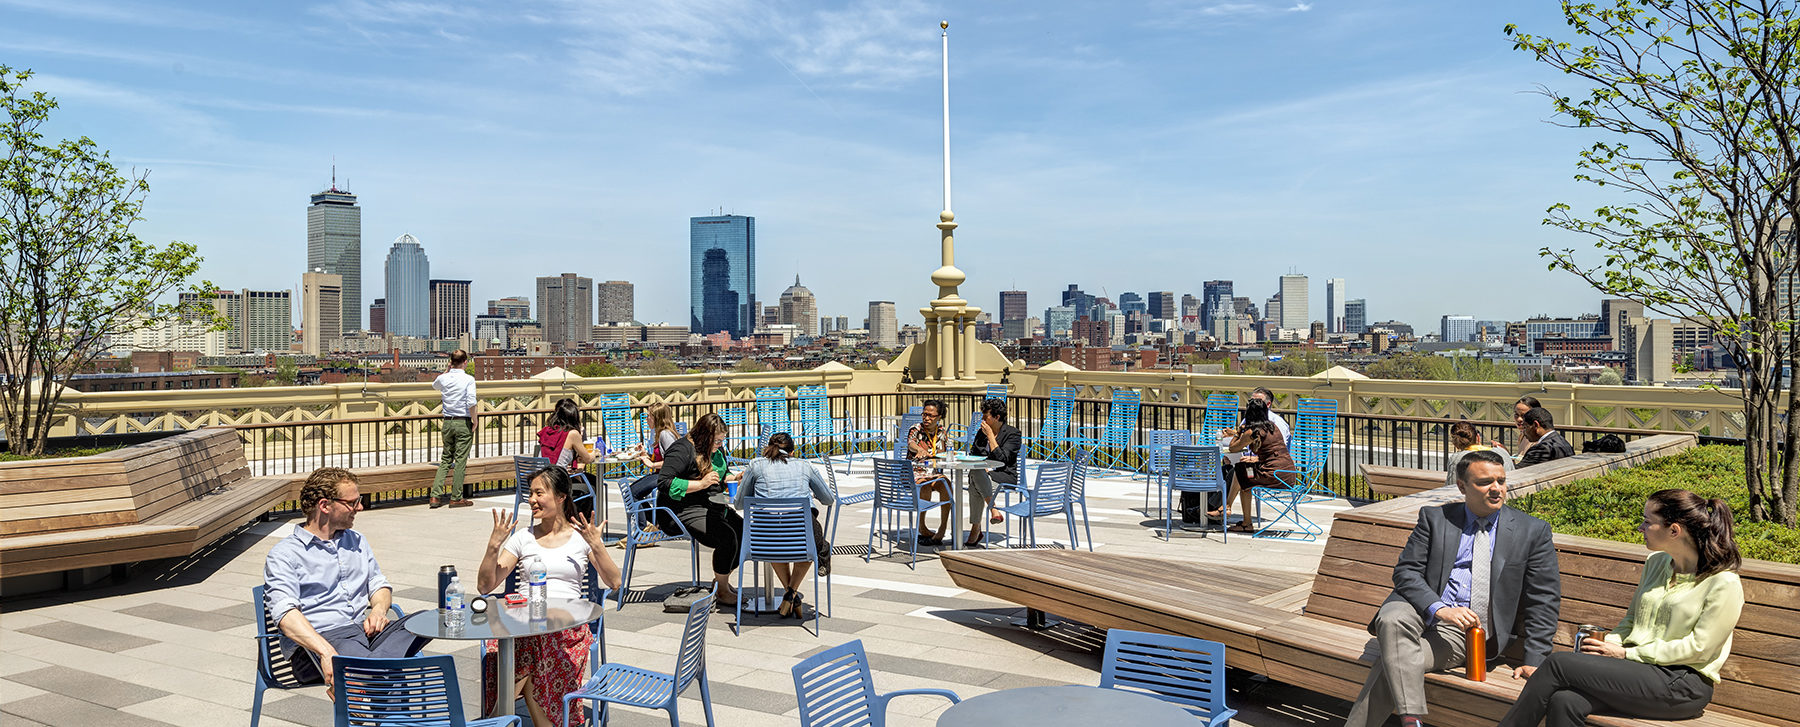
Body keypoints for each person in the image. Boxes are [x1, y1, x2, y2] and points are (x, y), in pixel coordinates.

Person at [1345, 450, 1562, 727]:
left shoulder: (1532, 531)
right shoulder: (1436, 519)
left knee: (1393, 662)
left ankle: (1410, 720)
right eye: (1485, 482)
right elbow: (1406, 572)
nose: (1496, 489)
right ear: (1462, 486)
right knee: (1390, 618)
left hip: (1465, 633)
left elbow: (1542, 598)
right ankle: (1412, 720)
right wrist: (1440, 609)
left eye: (1501, 480)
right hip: (1422, 607)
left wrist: (1536, 658)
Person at [1499, 489, 1743, 727]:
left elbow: (1699, 649)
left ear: (1674, 530)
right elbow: (1633, 619)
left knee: (1558, 663)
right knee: (1565, 701)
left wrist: (1626, 654)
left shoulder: (1723, 582)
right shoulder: (1657, 563)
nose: (1640, 528)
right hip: (1636, 673)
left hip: (1682, 685)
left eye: (1648, 522)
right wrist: (1610, 645)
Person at [263, 467, 429, 697]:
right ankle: (363, 677)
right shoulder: (285, 554)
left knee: (428, 620)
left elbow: (378, 584)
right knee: (383, 668)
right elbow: (285, 614)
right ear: (325, 505)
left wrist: (379, 611)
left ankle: (357, 677)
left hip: (364, 633)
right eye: (352, 502)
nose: (359, 507)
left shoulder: (356, 540)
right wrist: (326, 651)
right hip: (319, 642)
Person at [476, 466, 621, 727]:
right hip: (523, 624)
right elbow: (485, 586)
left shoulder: (581, 537)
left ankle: (494, 719)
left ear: (561, 496)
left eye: (539, 493)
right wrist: (493, 547)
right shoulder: (523, 538)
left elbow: (614, 582)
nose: (531, 500)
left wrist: (597, 545)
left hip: (566, 629)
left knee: (535, 649)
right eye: (530, 493)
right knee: (529, 648)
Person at [733, 432, 834, 616]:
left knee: (776, 536)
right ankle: (791, 593)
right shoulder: (805, 466)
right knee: (812, 543)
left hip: (764, 540)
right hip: (802, 536)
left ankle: (790, 594)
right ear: (792, 452)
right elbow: (828, 499)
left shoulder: (755, 466)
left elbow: (739, 504)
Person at [656, 412, 744, 604]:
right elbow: (664, 483)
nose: (720, 445)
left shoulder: (712, 451)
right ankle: (722, 590)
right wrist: (701, 484)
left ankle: (721, 580)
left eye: (722, 441)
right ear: (705, 436)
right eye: (717, 441)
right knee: (727, 537)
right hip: (680, 508)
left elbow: (721, 476)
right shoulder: (682, 450)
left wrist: (736, 478)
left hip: (709, 503)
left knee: (745, 532)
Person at [1221, 420, 1296, 533]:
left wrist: (1238, 433)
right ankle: (1233, 512)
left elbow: (1232, 448)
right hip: (1287, 474)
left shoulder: (1254, 431)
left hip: (1275, 475)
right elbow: (1274, 450)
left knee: (1241, 473)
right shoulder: (1272, 427)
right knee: (1242, 474)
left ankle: (1228, 508)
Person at [964, 398, 1021, 547]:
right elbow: (974, 453)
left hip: (1004, 476)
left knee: (974, 481)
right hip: (984, 475)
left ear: (996, 417)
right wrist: (983, 465)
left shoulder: (1013, 434)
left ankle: (976, 528)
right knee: (976, 474)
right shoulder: (981, 433)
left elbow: (1004, 460)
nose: (982, 420)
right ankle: (993, 510)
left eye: (985, 417)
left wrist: (990, 436)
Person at [431, 349, 477, 508]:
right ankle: (456, 497)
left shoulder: (443, 378)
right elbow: (471, 402)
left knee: (445, 459)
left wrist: (446, 370)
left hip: (447, 422)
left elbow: (434, 385)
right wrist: (475, 420)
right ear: (465, 362)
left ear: (451, 362)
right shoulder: (469, 379)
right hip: (462, 422)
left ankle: (435, 496)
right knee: (460, 461)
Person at [536, 398, 597, 516]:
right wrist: (595, 453)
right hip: (556, 483)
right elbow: (588, 459)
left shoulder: (547, 431)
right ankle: (579, 522)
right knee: (592, 487)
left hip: (542, 479)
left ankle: (572, 519)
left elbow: (555, 457)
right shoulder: (572, 434)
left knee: (591, 480)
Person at [908, 399, 954, 545]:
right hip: (916, 473)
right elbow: (911, 444)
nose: (926, 418)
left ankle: (942, 528)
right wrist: (919, 449)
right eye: (924, 414)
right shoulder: (916, 429)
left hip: (933, 472)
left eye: (931, 415)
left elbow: (945, 451)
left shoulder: (942, 433)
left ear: (939, 417)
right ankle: (922, 526)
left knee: (946, 484)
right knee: (925, 485)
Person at [1446, 420, 1513, 487]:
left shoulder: (1457, 458)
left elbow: (1451, 486)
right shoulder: (1502, 452)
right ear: (1478, 437)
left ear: (1455, 444)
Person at [635, 402, 680, 469]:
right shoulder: (660, 433)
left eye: (648, 416)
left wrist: (652, 465)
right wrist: (644, 453)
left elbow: (674, 461)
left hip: (667, 477)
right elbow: (660, 459)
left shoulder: (665, 434)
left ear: (656, 418)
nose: (646, 419)